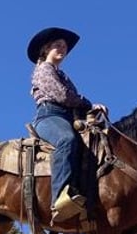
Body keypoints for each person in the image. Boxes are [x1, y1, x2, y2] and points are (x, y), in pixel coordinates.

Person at [28, 27, 107, 223]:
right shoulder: (44, 69)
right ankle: (60, 199)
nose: (62, 49)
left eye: (64, 47)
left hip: (69, 117)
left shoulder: (63, 75)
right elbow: (62, 95)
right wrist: (89, 104)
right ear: (46, 49)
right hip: (48, 116)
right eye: (57, 46)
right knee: (66, 139)